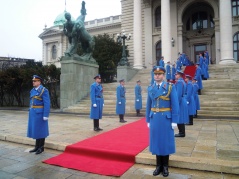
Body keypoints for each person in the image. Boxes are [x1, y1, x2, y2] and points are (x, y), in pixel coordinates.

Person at [146, 66, 179, 177]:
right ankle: (158, 165)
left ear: (164, 75)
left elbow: (175, 104)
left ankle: (165, 166)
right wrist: (148, 119)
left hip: (166, 119)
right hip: (154, 118)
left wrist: (175, 120)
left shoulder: (170, 87)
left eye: (159, 74)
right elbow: (148, 105)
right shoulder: (151, 88)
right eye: (155, 74)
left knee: (165, 142)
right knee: (156, 142)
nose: (157, 76)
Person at [27, 75, 50, 155]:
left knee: (41, 130)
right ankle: (36, 146)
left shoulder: (44, 90)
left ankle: (41, 147)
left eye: (35, 81)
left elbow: (47, 103)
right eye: (33, 81)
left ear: (39, 82)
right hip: (33, 113)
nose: (33, 82)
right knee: (36, 130)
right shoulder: (32, 90)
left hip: (40, 113)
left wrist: (46, 114)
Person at [174, 70, 188, 137]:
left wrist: (176, 103)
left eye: (176, 74)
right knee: (180, 117)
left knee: (180, 117)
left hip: (180, 101)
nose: (175, 75)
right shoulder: (183, 81)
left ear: (179, 75)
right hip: (182, 100)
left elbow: (178, 94)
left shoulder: (179, 82)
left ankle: (181, 132)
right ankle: (181, 132)